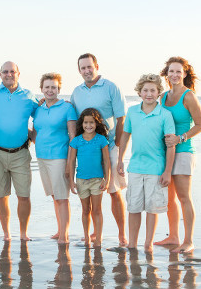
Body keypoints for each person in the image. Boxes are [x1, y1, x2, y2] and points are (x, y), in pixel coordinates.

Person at [70, 53, 128, 246]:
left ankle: (121, 234)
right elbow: (72, 115)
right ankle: (95, 231)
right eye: (83, 68)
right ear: (79, 70)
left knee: (113, 190)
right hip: (88, 149)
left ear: (96, 66)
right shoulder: (76, 92)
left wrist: (118, 147)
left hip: (109, 146)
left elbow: (121, 119)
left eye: (89, 66)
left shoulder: (111, 87)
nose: (87, 71)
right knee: (93, 191)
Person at [117, 74, 176, 253]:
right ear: (139, 92)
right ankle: (132, 243)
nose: (149, 94)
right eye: (145, 90)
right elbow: (125, 136)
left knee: (152, 208)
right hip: (135, 167)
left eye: (152, 90)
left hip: (156, 169)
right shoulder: (133, 112)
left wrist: (167, 171)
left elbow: (170, 145)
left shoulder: (165, 115)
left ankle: (148, 243)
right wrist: (120, 160)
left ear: (159, 93)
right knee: (133, 207)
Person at [0, 61, 38, 241]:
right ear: (0, 74)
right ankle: (6, 234)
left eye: (12, 71)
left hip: (21, 153)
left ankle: (23, 233)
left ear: (18, 73)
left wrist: (33, 134)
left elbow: (44, 113)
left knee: (24, 195)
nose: (9, 74)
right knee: (2, 196)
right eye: (5, 72)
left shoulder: (28, 96)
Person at [156, 56, 201, 253]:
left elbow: (200, 125)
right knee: (168, 198)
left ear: (184, 74)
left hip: (183, 151)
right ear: (166, 74)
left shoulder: (189, 96)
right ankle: (173, 236)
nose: (174, 75)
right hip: (166, 153)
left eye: (178, 71)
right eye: (171, 71)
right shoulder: (163, 97)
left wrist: (180, 138)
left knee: (184, 197)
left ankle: (188, 241)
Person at [31, 72, 77, 245]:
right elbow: (35, 135)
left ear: (59, 89)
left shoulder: (67, 108)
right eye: (47, 87)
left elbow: (73, 138)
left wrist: (70, 164)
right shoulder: (38, 109)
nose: (50, 90)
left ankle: (64, 235)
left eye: (54, 87)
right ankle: (59, 230)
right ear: (41, 89)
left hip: (59, 157)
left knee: (62, 197)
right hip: (41, 157)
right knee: (54, 196)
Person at [67, 108, 111, 247]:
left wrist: (107, 179)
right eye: (86, 122)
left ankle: (98, 237)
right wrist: (71, 181)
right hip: (81, 181)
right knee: (86, 210)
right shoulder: (76, 141)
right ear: (82, 124)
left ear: (96, 123)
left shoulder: (101, 139)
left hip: (97, 180)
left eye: (91, 122)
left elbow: (106, 160)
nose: (88, 125)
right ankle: (86, 237)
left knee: (97, 210)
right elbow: (72, 161)